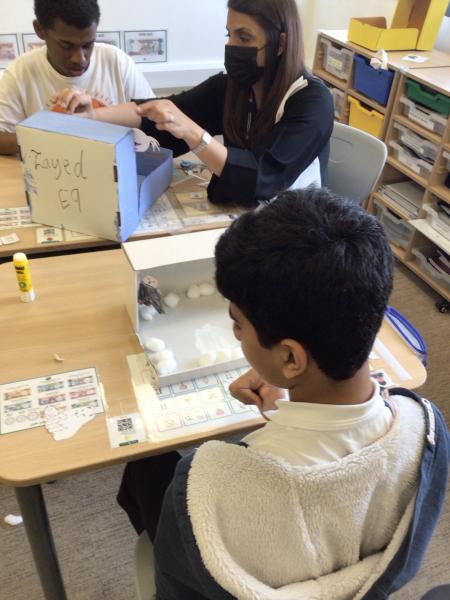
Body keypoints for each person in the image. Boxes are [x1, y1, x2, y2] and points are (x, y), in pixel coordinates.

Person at [117, 188, 449, 599]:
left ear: (291, 357)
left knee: (146, 465)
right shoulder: (427, 427)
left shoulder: (205, 487)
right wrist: (288, 411)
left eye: (237, 324)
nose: (235, 334)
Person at [53, 0, 334, 208]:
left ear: (280, 44)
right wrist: (93, 114)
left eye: (244, 37)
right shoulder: (232, 87)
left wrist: (192, 132)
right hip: (247, 215)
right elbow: (159, 110)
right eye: (229, 34)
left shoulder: (312, 102)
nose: (232, 45)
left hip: (300, 227)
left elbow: (261, 177)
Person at [0, 0, 153, 155]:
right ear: (40, 30)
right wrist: (52, 136)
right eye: (66, 46)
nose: (80, 59)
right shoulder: (19, 73)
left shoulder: (117, 62)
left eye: (88, 45)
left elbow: (152, 118)